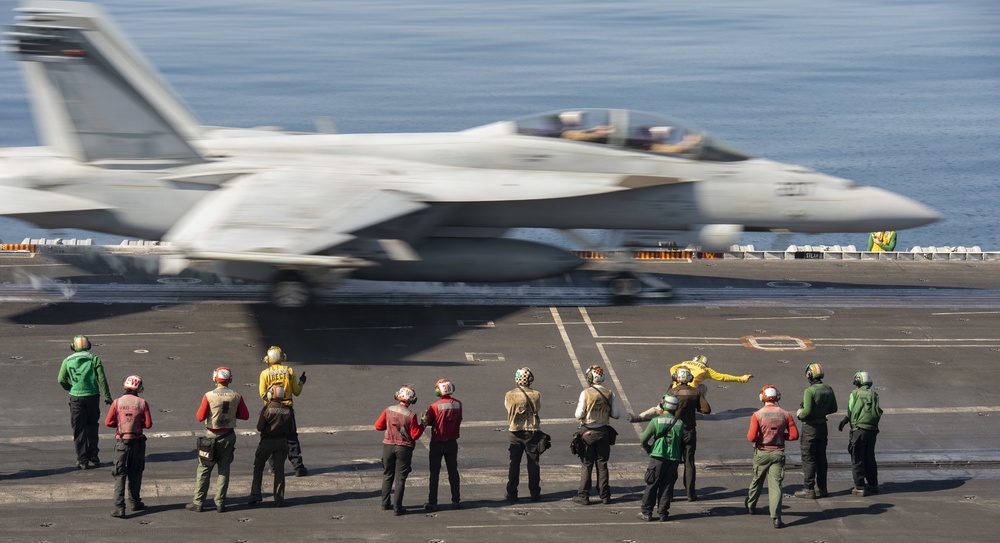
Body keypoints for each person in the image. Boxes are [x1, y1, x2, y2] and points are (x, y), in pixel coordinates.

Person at [187, 367, 250, 513]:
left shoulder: (209, 395)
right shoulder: (237, 396)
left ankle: (198, 502)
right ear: (230, 379)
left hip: (211, 437)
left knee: (204, 469)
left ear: (215, 378)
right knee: (224, 469)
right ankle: (220, 502)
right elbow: (245, 415)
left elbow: (199, 417)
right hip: (228, 436)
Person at [746, 385, 799, 529]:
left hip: (762, 452)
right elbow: (794, 435)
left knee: (757, 480)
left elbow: (751, 437)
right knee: (776, 486)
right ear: (777, 398)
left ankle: (751, 505)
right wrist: (781, 436)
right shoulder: (786, 414)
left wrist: (760, 438)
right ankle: (776, 517)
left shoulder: (757, 415)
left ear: (762, 397)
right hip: (778, 452)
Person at [58, 335, 113, 470]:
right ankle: (93, 455)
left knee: (79, 429)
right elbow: (102, 379)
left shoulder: (67, 361)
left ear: (73, 347)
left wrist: (70, 388)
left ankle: (82, 460)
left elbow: (61, 379)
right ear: (88, 346)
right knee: (92, 426)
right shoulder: (94, 358)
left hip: (76, 398)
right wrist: (107, 396)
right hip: (93, 397)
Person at [573, 365, 622, 505]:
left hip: (587, 433)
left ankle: (584, 496)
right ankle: (605, 495)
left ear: (590, 378)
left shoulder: (585, 393)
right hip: (603, 432)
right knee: (602, 464)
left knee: (587, 464)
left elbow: (578, 415)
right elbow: (616, 414)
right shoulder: (610, 393)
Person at [105, 375, 152, 518]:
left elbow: (108, 422)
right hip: (137, 442)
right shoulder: (142, 403)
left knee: (120, 474)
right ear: (138, 387)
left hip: (122, 443)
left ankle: (119, 507)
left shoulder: (117, 402)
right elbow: (148, 424)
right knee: (136, 472)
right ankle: (135, 502)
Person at [375, 384, 425, 515]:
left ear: (398, 396)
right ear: (412, 400)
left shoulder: (388, 410)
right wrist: (423, 424)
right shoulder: (411, 415)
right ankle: (398, 507)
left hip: (388, 446)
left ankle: (385, 504)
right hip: (404, 448)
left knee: (387, 475)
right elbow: (415, 435)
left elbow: (378, 426)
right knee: (400, 478)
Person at [258, 346, 308, 477]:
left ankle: (274, 468)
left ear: (268, 359)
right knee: (291, 438)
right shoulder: (289, 370)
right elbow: (296, 392)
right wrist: (301, 382)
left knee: (270, 438)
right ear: (282, 357)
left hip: (270, 410)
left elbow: (262, 395)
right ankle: (299, 468)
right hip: (287, 410)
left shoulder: (264, 374)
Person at [666, 367, 711, 501]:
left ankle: (669, 493)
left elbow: (664, 408)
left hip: (674, 430)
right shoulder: (696, 392)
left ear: (677, 378)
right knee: (689, 462)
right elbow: (706, 409)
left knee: (672, 462)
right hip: (689, 430)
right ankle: (690, 493)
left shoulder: (672, 391)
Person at [636, 394, 683, 522]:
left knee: (652, 484)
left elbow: (643, 440)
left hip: (658, 457)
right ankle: (663, 513)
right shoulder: (679, 423)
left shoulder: (656, 421)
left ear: (663, 405)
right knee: (667, 486)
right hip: (673, 459)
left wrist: (648, 449)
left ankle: (646, 512)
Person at [794, 363, 838, 499]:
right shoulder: (828, 389)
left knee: (808, 458)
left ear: (809, 375)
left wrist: (799, 414)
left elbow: (806, 412)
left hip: (810, 428)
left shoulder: (810, 391)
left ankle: (809, 489)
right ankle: (823, 488)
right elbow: (833, 408)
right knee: (821, 458)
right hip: (822, 428)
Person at [249, 383, 295, 507]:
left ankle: (255, 494)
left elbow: (259, 427)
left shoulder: (267, 409)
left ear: (270, 394)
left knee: (258, 466)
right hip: (282, 443)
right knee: (279, 470)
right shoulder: (288, 410)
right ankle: (279, 498)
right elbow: (291, 429)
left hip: (267, 442)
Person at [838, 371, 883, 496]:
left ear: (858, 381)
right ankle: (873, 484)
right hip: (872, 430)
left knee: (857, 458)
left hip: (859, 430)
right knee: (870, 458)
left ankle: (859, 486)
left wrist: (846, 420)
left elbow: (851, 410)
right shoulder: (874, 394)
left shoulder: (855, 393)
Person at [422, 378, 463, 512]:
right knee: (453, 472)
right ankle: (456, 500)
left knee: (434, 474)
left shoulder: (435, 406)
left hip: (437, 442)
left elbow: (428, 422)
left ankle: (432, 502)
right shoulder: (458, 404)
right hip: (452, 443)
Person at [504, 367, 543, 502]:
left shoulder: (509, 394)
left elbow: (507, 408)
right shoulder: (536, 394)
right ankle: (534, 492)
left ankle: (512, 492)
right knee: (533, 463)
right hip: (532, 431)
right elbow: (537, 408)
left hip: (515, 431)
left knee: (514, 463)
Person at [668, 355, 752, 398]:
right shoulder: (706, 369)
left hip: (676, 389)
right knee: (703, 387)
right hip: (691, 392)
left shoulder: (685, 363)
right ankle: (696, 408)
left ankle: (662, 404)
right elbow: (723, 377)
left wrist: (674, 376)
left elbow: (672, 368)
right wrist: (741, 379)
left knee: (672, 384)